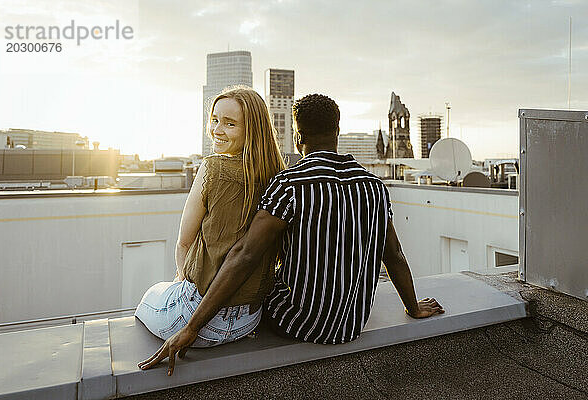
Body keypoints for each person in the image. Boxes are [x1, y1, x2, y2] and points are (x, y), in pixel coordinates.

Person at [139, 94, 444, 376]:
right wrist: (413, 307)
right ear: (337, 132)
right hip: (352, 323)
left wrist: (192, 327)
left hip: (295, 322)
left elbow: (245, 254)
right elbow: (393, 254)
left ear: (298, 139)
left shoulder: (290, 184)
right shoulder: (372, 186)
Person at [134, 86, 285, 348]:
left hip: (195, 318)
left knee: (148, 298)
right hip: (248, 321)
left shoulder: (212, 167)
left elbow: (184, 243)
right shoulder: (280, 178)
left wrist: (181, 281)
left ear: (252, 130)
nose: (217, 129)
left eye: (230, 123)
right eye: (214, 120)